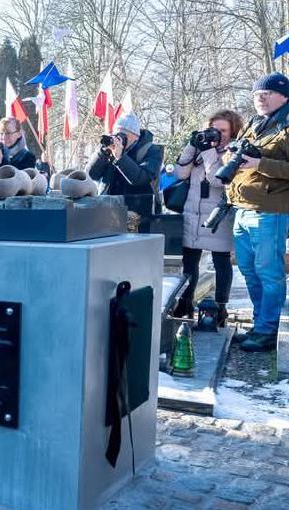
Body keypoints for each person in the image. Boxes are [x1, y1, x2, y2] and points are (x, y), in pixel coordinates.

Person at [226, 72, 289, 352]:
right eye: (256, 94)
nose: (260, 98)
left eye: (267, 94)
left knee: (268, 271)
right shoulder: (255, 124)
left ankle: (267, 330)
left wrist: (260, 164)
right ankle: (260, 323)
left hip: (270, 210)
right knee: (249, 272)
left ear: (284, 95)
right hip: (242, 208)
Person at [172, 110, 244, 326]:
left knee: (221, 262)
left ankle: (220, 308)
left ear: (232, 132)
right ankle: (184, 304)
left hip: (218, 217)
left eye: (223, 130)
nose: (217, 135)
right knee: (189, 262)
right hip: (192, 214)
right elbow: (180, 174)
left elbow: (218, 180)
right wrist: (192, 146)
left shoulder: (234, 151)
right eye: (214, 130)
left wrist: (209, 153)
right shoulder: (201, 146)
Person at [86, 112, 164, 197]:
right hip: (107, 204)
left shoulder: (152, 151)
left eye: (124, 135)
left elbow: (141, 179)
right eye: (117, 134)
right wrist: (102, 153)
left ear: (136, 137)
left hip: (136, 207)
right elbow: (91, 175)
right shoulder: (110, 148)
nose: (119, 138)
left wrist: (120, 158)